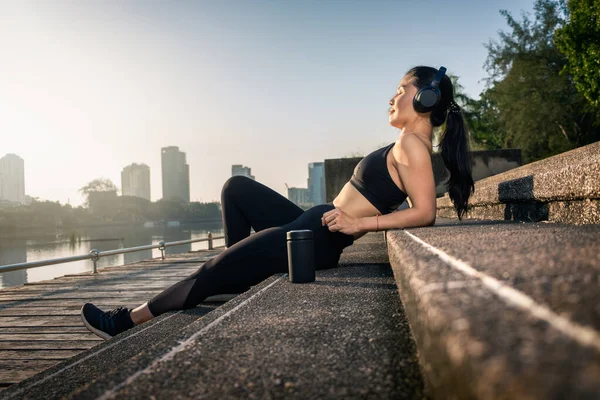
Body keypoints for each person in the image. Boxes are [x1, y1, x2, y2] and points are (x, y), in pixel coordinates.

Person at [80, 65, 475, 340]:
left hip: (319, 238)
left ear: (425, 98)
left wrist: (361, 225)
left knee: (213, 266)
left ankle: (126, 321)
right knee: (236, 187)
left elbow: (424, 213)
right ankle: (232, 273)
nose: (392, 97)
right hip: (314, 222)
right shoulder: (410, 144)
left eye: (401, 90)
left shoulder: (413, 145)